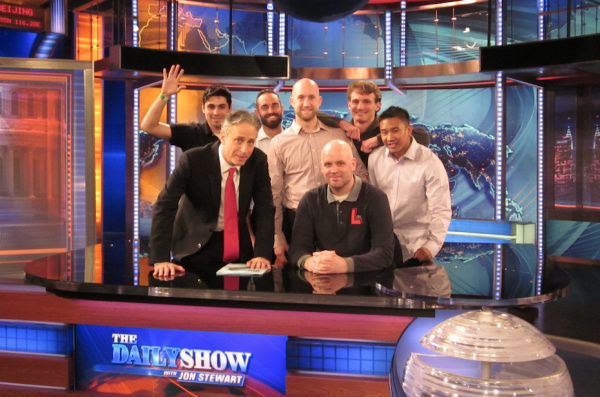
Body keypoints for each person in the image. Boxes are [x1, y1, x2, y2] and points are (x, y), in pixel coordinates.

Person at [150, 110, 274, 278]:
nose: (245, 149)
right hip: (194, 247)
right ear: (223, 136)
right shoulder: (193, 160)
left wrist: (261, 253)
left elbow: (265, 207)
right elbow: (165, 205)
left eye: (251, 142)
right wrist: (160, 259)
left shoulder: (258, 160)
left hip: (238, 247)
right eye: (239, 140)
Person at [268, 78, 369, 265]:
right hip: (296, 220)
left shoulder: (339, 136)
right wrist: (277, 235)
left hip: (339, 218)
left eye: (311, 98)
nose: (306, 103)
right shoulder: (279, 143)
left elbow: (361, 176)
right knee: (301, 282)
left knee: (339, 279)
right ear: (291, 102)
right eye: (301, 98)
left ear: (319, 101)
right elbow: (273, 194)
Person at [289, 140, 398, 273]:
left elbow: (384, 254)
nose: (334, 170)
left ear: (353, 164)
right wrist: (309, 262)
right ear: (322, 167)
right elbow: (297, 250)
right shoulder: (310, 200)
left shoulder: (376, 198)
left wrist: (345, 265)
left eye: (340, 163)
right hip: (324, 281)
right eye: (328, 164)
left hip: (368, 281)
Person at [368, 106, 452, 262]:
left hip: (416, 251)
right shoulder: (375, 158)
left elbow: (441, 210)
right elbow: (373, 203)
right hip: (380, 248)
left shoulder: (430, 163)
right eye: (384, 132)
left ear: (408, 130)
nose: (389, 137)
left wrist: (431, 246)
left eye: (395, 131)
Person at [140, 64, 232, 152]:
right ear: (203, 108)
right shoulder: (191, 132)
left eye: (221, 107)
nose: (216, 112)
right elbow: (149, 126)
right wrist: (164, 95)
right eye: (211, 107)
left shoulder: (238, 136)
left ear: (229, 108)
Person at [254, 89, 361, 155]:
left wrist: (340, 122)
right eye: (264, 107)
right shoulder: (252, 144)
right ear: (257, 113)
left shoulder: (292, 137)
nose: (271, 111)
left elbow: (310, 114)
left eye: (275, 106)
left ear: (282, 109)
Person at [345, 81, 384, 166]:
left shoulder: (386, 129)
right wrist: (340, 122)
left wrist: (379, 139)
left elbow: (418, 134)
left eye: (367, 102)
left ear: (377, 106)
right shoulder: (341, 133)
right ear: (349, 105)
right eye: (355, 101)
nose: (360, 107)